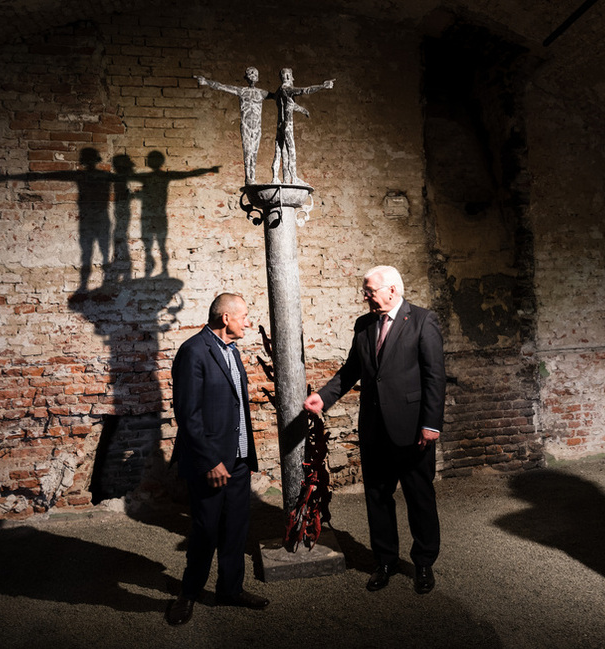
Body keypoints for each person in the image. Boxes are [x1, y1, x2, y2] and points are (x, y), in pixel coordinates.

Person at [303, 266, 446, 593]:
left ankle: (423, 563)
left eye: (369, 290)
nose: (365, 296)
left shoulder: (423, 321)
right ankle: (385, 561)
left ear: (392, 290)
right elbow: (352, 369)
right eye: (365, 291)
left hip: (412, 430)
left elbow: (435, 377)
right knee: (378, 498)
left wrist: (430, 424)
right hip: (374, 429)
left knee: (419, 498)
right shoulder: (364, 325)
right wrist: (323, 399)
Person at [166, 293, 269, 626]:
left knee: (236, 528)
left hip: (238, 459)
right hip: (210, 462)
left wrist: (243, 454)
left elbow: (234, 407)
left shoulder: (231, 351)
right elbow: (188, 413)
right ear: (226, 318)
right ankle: (189, 594)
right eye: (244, 316)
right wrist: (210, 461)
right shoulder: (194, 351)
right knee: (205, 530)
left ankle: (230, 589)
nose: (248, 322)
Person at [195, 68, 271, 185]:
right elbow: (222, 86)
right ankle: (248, 177)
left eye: (255, 74)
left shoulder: (262, 93)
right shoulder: (241, 90)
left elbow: (280, 96)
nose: (253, 76)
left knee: (254, 151)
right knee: (247, 151)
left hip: (257, 126)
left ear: (258, 77)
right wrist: (206, 81)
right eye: (250, 74)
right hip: (246, 125)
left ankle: (253, 176)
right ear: (246, 77)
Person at [271, 68, 334, 185]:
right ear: (289, 77)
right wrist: (322, 86)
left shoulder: (279, 91)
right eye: (290, 75)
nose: (292, 78)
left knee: (280, 151)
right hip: (287, 124)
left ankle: (281, 179)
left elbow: (289, 105)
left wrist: (302, 110)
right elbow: (306, 90)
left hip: (280, 125)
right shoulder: (288, 89)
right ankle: (293, 178)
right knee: (291, 151)